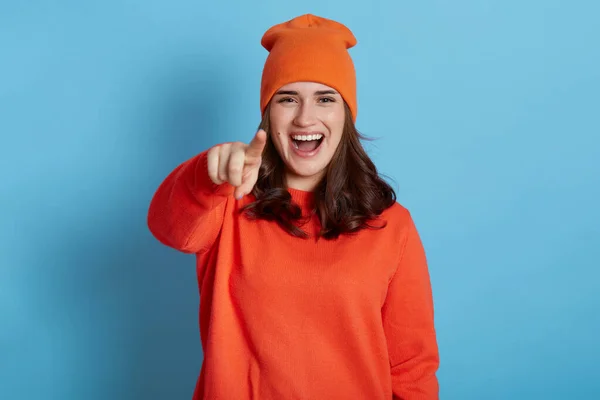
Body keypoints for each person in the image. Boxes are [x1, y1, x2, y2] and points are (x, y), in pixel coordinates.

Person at [147, 13, 439, 400]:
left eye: (325, 98)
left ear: (346, 115)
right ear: (268, 113)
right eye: (288, 98)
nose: (305, 117)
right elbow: (167, 226)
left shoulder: (392, 227)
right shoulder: (226, 202)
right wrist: (208, 174)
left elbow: (411, 368)